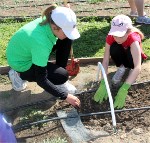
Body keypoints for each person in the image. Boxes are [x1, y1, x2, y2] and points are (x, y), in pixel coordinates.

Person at [6, 4, 81, 108]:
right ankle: (17, 74)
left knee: (67, 39)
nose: (67, 33)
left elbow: (61, 19)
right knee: (61, 76)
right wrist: (65, 96)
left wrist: (66, 13)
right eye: (65, 31)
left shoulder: (52, 18)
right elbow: (41, 79)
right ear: (55, 27)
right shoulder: (40, 42)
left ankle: (59, 81)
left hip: (28, 50)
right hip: (21, 63)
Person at [94, 14, 147, 109]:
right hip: (123, 57)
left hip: (133, 60)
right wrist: (103, 83)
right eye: (115, 35)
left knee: (133, 65)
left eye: (120, 36)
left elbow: (138, 67)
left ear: (128, 31)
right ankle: (122, 67)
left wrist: (124, 88)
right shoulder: (111, 37)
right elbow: (105, 61)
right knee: (114, 48)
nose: (117, 38)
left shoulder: (134, 39)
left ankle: (130, 71)